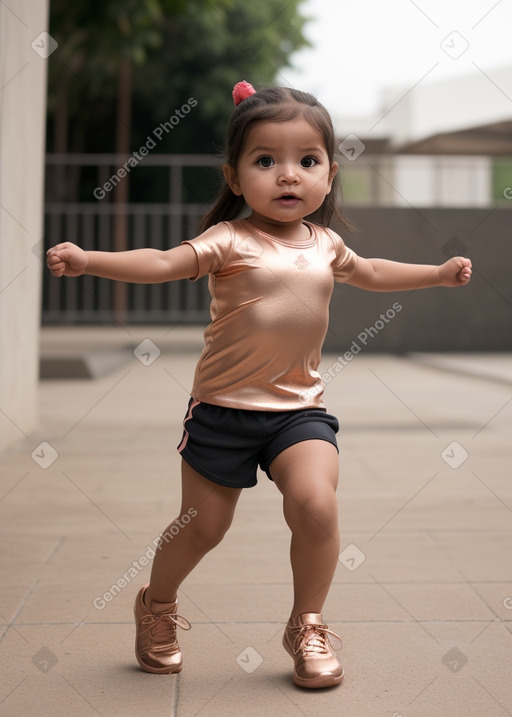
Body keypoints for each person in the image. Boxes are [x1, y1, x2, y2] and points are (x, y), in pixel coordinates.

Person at [46, 81, 472, 689]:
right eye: (266, 160)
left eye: (307, 160)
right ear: (236, 176)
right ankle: (156, 606)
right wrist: (92, 260)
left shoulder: (326, 245)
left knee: (317, 506)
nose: (288, 175)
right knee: (202, 527)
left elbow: (374, 272)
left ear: (328, 175)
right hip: (223, 411)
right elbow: (163, 262)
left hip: (299, 412)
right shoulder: (229, 240)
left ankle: (308, 623)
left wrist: (435, 274)